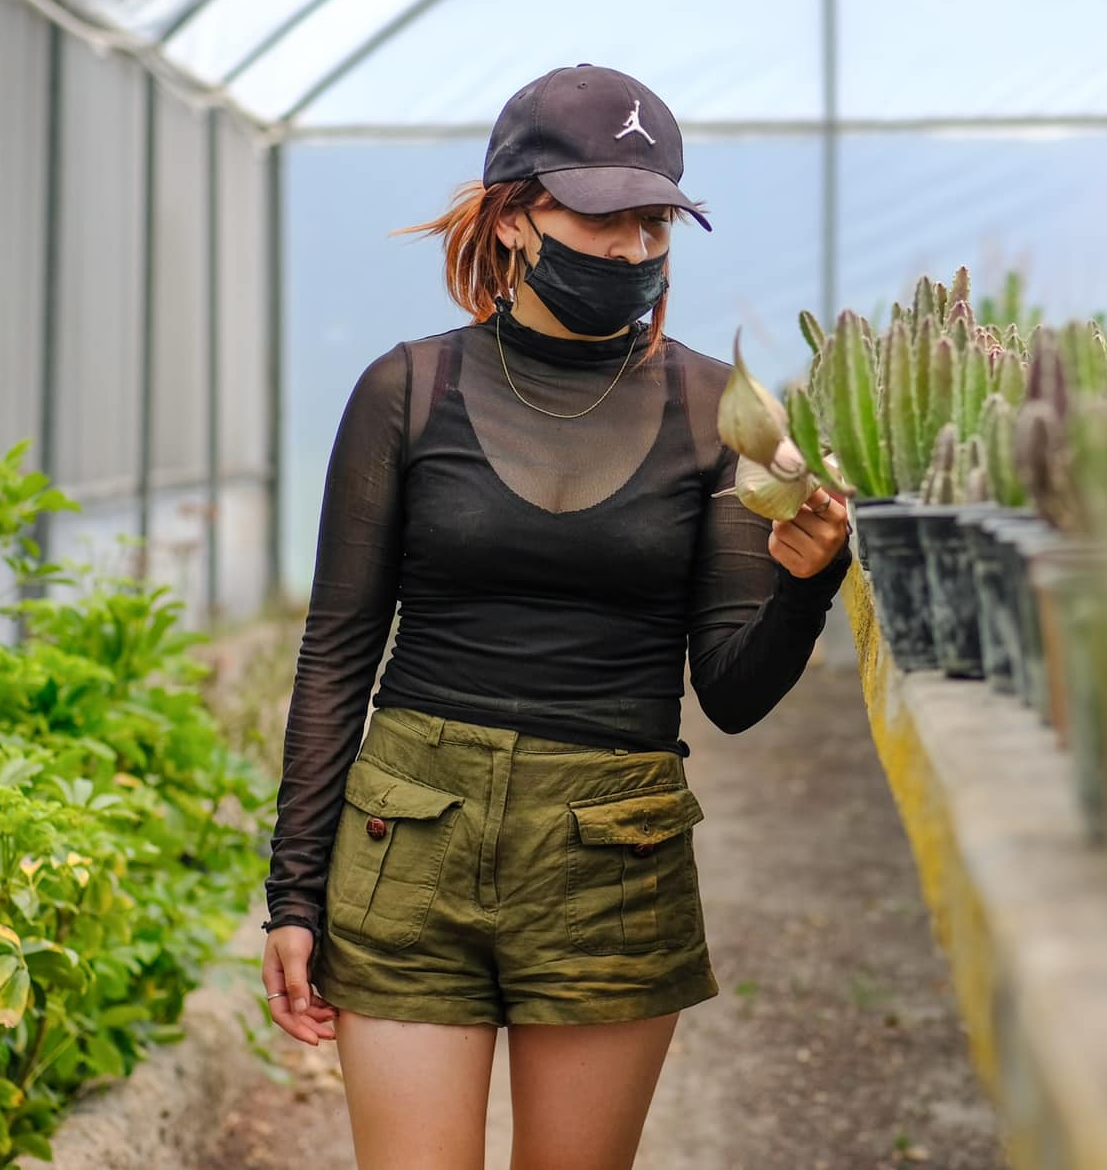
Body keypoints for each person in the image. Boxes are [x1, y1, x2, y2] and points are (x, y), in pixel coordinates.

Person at [259, 63, 853, 1170]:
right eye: (602, 215)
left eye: (654, 220)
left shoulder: (710, 412)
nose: (632, 248)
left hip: (610, 853)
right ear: (516, 212)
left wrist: (809, 582)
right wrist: (293, 892)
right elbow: (337, 651)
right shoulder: (408, 390)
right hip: (408, 839)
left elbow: (728, 690)